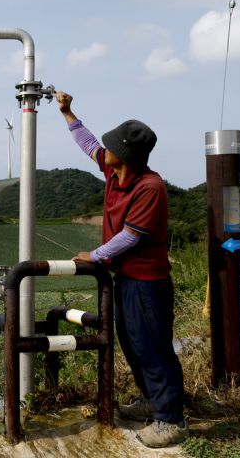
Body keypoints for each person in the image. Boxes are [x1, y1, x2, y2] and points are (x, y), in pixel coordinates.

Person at [55, 91, 187, 448]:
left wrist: (94, 256)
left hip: (147, 283)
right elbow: (87, 143)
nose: (104, 149)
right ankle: (152, 400)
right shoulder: (115, 170)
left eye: (111, 145)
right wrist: (68, 113)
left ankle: (170, 419)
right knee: (132, 344)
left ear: (125, 154)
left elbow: (130, 237)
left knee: (152, 347)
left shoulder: (150, 188)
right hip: (127, 279)